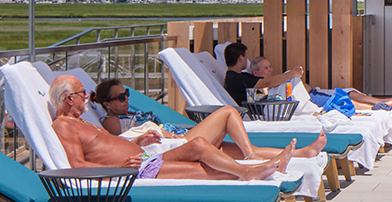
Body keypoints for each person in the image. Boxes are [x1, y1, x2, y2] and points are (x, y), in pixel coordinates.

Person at [48, 74, 319, 181]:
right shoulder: (64, 125)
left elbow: (107, 147)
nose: (87, 97)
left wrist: (138, 143)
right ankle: (250, 171)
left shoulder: (81, 122)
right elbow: (76, 165)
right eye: (83, 93)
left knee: (202, 146)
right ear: (69, 98)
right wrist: (119, 169)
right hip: (138, 169)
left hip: (144, 156)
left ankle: (256, 166)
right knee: (207, 166)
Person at [224, 40, 392, 118]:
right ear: (241, 58)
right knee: (338, 99)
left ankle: (386, 103)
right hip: (274, 109)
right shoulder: (234, 79)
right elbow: (265, 85)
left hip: (280, 104)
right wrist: (292, 74)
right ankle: (385, 106)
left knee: (345, 95)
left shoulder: (241, 77)